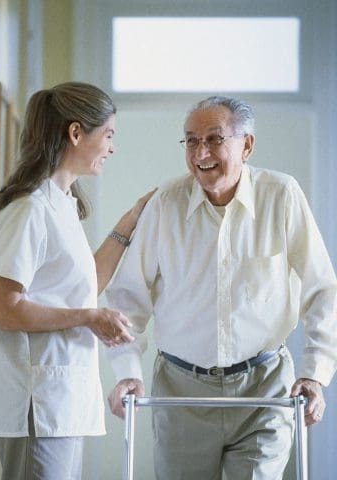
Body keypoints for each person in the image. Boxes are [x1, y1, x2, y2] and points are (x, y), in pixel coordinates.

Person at [106, 96, 337, 479]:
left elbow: (321, 288)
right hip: (182, 392)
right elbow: (126, 299)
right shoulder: (166, 203)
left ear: (247, 145)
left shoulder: (281, 195)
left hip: (264, 388)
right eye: (192, 141)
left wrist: (315, 372)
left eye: (214, 139)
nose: (202, 153)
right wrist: (126, 370)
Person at [0, 81, 153, 480]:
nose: (112, 147)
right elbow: (0, 307)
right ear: (76, 133)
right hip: (35, 403)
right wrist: (88, 317)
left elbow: (86, 282)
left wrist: (130, 222)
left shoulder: (64, 203)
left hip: (60, 398)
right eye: (108, 135)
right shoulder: (28, 208)